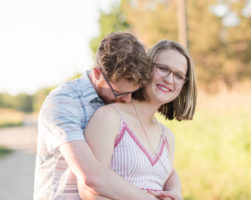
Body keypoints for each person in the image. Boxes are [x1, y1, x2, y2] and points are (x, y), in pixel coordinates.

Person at [33, 32, 181, 200]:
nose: (127, 99)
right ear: (97, 74)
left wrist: (173, 189)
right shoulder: (64, 103)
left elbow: (151, 164)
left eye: (132, 92)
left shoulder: (117, 105)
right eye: (119, 93)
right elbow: (91, 176)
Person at [78, 40, 197, 200]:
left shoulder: (167, 137)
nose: (170, 79)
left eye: (179, 76)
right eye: (162, 68)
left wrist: (175, 192)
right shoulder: (111, 117)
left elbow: (167, 177)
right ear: (146, 68)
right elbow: (89, 192)